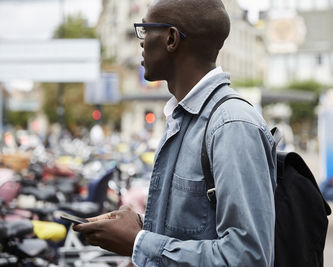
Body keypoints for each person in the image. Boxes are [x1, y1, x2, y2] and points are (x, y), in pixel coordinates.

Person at [74, 0, 276, 266]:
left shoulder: (231, 126)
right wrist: (142, 230)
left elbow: (248, 257)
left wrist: (138, 242)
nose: (141, 42)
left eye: (146, 30)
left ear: (170, 38)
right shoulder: (182, 119)